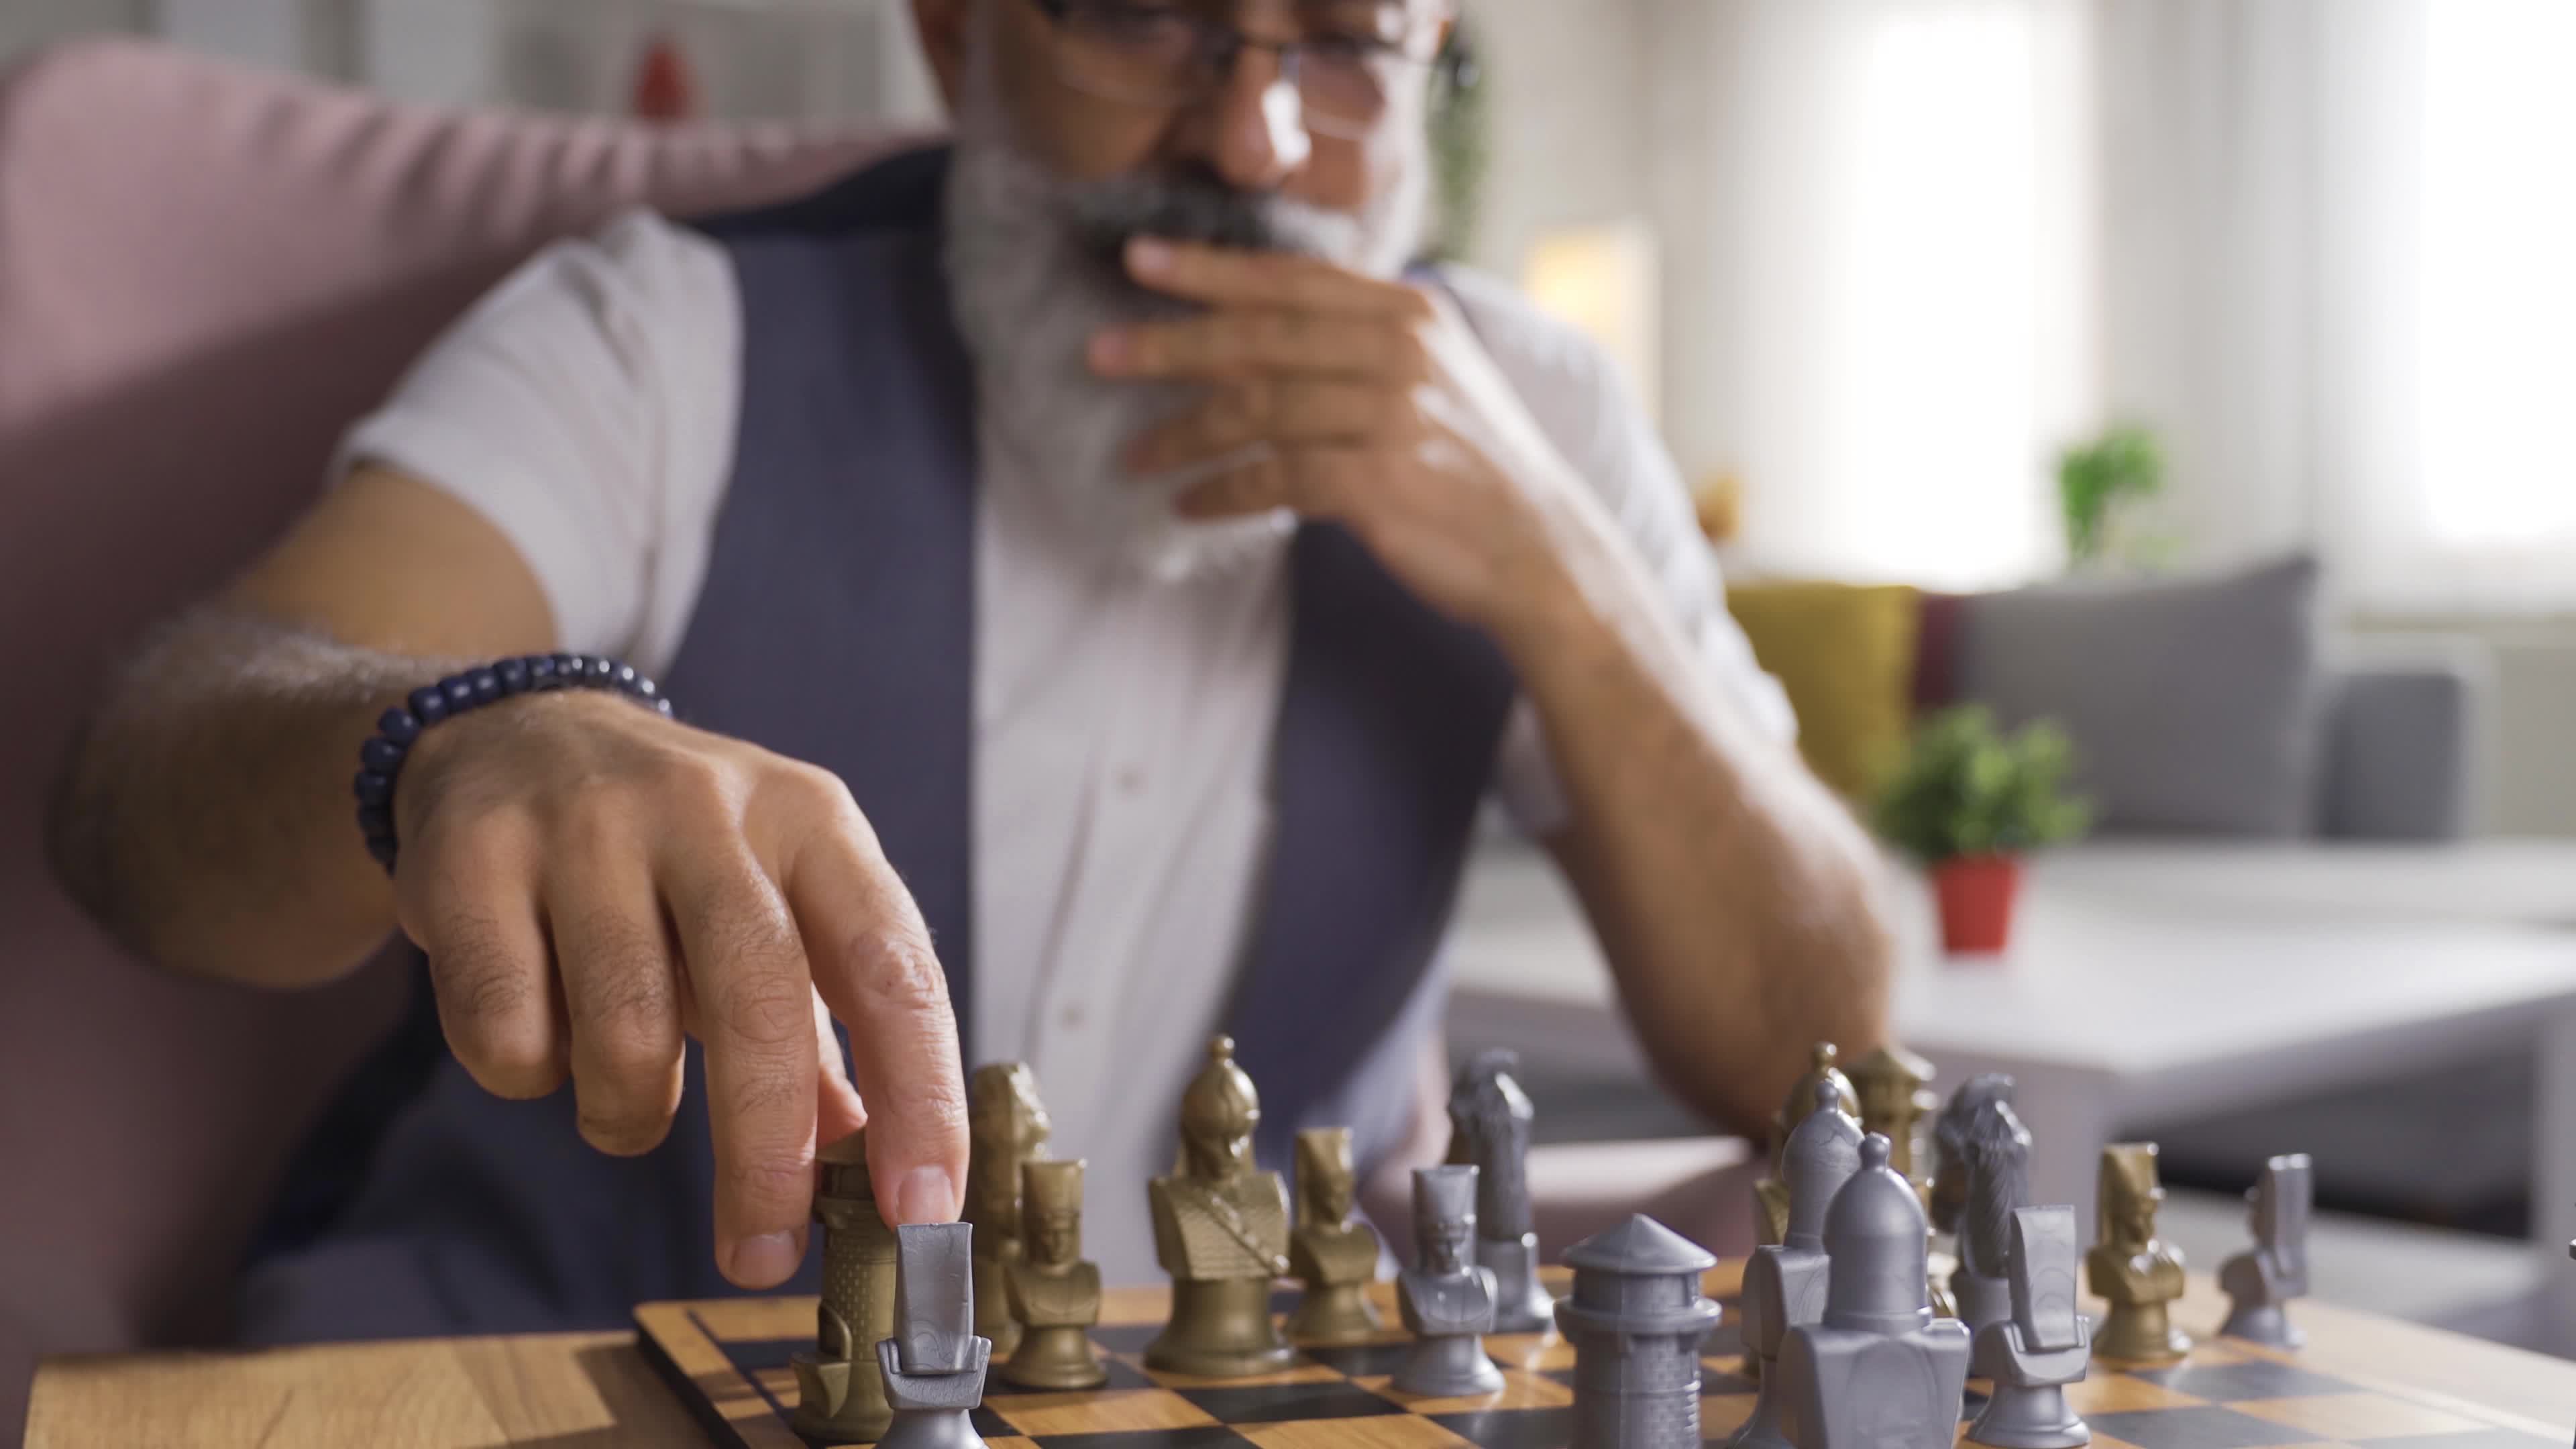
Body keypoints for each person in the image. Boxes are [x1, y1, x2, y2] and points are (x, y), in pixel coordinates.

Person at [44, 0, 1890, 1337]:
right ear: (950, 36)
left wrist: (1568, 589)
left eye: (1345, 40)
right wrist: (460, 735)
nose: (1251, 142)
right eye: (1151, 19)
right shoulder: (662, 334)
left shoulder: (1542, 413)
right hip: (531, 1382)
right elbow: (146, 792)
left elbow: (1822, 1051)